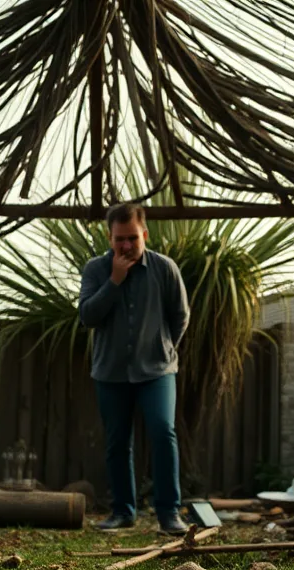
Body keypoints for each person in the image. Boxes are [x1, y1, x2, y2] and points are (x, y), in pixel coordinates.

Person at [78, 202, 191, 533]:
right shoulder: (96, 269)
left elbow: (180, 315)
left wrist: (165, 347)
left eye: (132, 238)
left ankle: (169, 513)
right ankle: (123, 512)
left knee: (162, 431)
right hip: (110, 373)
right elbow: (87, 316)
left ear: (144, 233)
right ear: (109, 237)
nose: (126, 246)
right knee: (117, 442)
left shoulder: (165, 268)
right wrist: (115, 280)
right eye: (119, 239)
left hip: (156, 371)